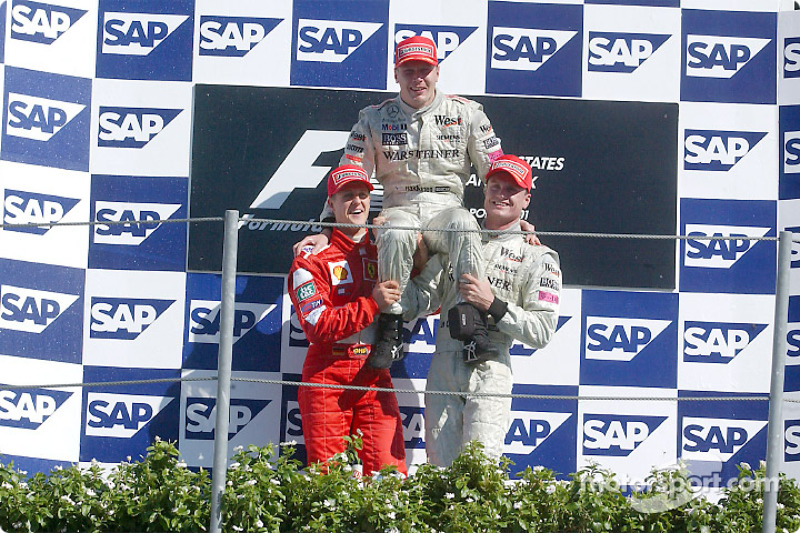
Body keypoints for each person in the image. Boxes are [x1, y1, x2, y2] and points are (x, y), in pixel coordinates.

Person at [295, 35, 531, 369]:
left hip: (447, 208)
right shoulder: (374, 118)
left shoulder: (467, 114)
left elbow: (498, 170)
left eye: (424, 69)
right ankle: (391, 330)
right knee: (394, 229)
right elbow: (347, 174)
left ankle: (474, 330)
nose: (417, 78)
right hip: (399, 206)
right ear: (397, 74)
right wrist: (327, 228)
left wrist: (515, 219)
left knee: (465, 223)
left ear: (437, 72)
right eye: (409, 71)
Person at [401, 155, 561, 467]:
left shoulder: (537, 255)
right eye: (495, 186)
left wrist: (493, 305)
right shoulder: (456, 241)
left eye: (511, 189)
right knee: (440, 476)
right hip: (444, 366)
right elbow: (423, 300)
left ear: (526, 198)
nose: (501, 194)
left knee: (480, 472)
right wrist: (401, 276)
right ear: (484, 190)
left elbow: (542, 331)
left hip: (490, 365)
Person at [288, 164, 407, 475]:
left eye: (363, 195)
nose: (357, 203)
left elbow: (423, 297)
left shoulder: (384, 247)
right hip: (328, 373)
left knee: (389, 477)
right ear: (331, 204)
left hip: (374, 371)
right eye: (347, 196)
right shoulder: (310, 258)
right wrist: (371, 304)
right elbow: (317, 326)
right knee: (331, 482)